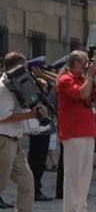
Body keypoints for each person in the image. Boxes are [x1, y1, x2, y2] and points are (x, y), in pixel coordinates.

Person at [0, 52, 48, 212]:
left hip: (13, 140)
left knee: (27, 180)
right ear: (15, 68)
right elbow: (2, 117)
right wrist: (31, 115)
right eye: (24, 68)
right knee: (0, 185)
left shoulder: (15, 85)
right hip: (3, 139)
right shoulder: (3, 88)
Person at [57, 50, 96, 212]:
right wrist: (91, 77)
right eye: (86, 61)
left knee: (85, 173)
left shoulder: (84, 79)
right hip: (73, 131)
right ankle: (71, 211)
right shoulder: (65, 79)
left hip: (88, 131)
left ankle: (81, 208)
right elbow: (82, 94)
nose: (89, 65)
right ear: (77, 63)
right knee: (73, 172)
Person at [25, 55, 54, 201]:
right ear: (34, 68)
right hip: (36, 127)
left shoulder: (41, 82)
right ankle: (34, 189)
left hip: (44, 126)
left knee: (41, 160)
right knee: (36, 160)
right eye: (41, 68)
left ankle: (38, 187)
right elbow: (32, 101)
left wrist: (47, 87)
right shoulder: (29, 82)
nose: (44, 71)